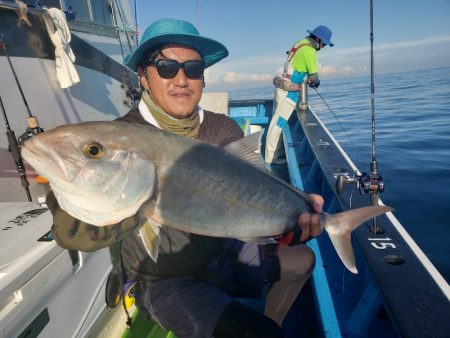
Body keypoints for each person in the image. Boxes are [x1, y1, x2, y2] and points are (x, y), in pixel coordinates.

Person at [47, 18, 325, 338]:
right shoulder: (121, 135)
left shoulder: (221, 129)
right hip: (164, 279)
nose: (181, 78)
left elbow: (252, 199)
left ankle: (269, 321)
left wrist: (293, 226)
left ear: (202, 80)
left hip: (222, 256)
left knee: (303, 260)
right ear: (144, 77)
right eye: (166, 66)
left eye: (192, 68)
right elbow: (75, 233)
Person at [265, 26, 334, 164]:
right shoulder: (310, 51)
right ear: (318, 40)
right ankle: (270, 159)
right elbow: (314, 78)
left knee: (277, 122)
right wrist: (315, 83)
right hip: (289, 92)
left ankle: (274, 155)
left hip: (282, 86)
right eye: (324, 44)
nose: (323, 47)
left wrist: (304, 79)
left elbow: (298, 68)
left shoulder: (300, 43)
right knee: (277, 125)